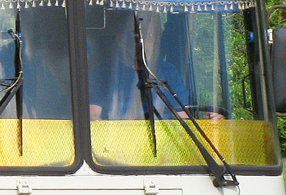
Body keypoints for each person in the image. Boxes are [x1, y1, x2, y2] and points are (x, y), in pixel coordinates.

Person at [88, 12, 221, 121]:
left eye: (149, 35)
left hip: (167, 146)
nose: (143, 41)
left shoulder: (168, 72)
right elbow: (93, 116)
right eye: (136, 35)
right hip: (121, 147)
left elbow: (184, 116)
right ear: (120, 38)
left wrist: (208, 122)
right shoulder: (104, 74)